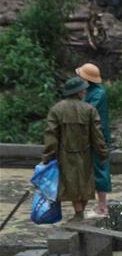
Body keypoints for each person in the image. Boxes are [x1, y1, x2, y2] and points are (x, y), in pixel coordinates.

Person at [42, 76, 108, 219]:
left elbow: (51, 136)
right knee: (84, 184)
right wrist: (102, 154)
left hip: (64, 155)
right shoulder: (89, 110)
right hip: (85, 154)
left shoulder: (56, 110)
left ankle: (78, 212)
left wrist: (47, 158)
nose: (85, 92)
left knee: (71, 184)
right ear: (79, 92)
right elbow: (98, 135)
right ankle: (79, 213)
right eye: (84, 90)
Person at [76, 63, 112, 216]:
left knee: (100, 168)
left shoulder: (98, 93)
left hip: (98, 136)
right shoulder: (86, 91)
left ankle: (103, 206)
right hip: (86, 136)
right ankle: (84, 206)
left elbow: (87, 111)